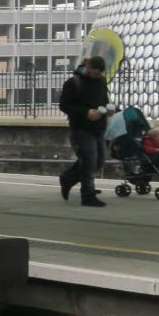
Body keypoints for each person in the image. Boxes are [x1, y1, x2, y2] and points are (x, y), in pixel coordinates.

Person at [58, 55, 113, 207]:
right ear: (88, 68)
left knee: (99, 161)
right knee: (89, 161)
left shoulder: (101, 81)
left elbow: (104, 100)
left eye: (100, 74)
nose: (97, 76)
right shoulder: (73, 83)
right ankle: (87, 195)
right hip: (81, 128)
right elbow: (64, 105)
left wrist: (108, 110)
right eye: (95, 73)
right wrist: (86, 112)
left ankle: (68, 178)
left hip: (99, 126)